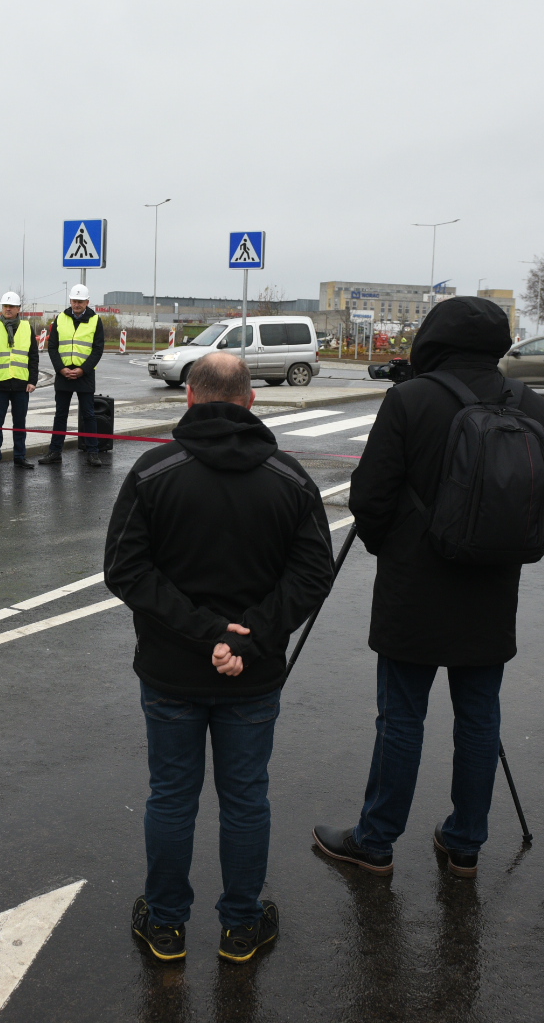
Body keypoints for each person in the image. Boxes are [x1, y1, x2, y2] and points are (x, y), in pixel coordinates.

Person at [312, 296, 544, 880]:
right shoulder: (530, 405)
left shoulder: (410, 399)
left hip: (414, 588)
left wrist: (393, 547)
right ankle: (465, 843)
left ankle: (375, 842)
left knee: (401, 718)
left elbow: (370, 497)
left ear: (434, 339)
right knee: (479, 718)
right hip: (492, 589)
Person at [105, 351, 335, 964]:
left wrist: (207, 634)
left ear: (190, 397)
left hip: (171, 670)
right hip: (252, 675)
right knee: (245, 799)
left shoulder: (154, 472)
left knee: (171, 797)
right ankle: (240, 926)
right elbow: (314, 574)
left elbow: (125, 569)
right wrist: (246, 638)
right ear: (251, 400)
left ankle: (165, 925)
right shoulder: (289, 478)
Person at [39, 284, 107, 468]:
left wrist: (83, 369)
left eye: (80, 302)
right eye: (74, 301)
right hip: (64, 373)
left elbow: (98, 349)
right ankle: (55, 452)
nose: (77, 304)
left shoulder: (95, 320)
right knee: (60, 414)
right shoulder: (60, 318)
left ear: (87, 302)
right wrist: (61, 369)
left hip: (85, 374)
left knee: (89, 414)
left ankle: (93, 452)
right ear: (70, 300)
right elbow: (53, 347)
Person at [0, 291, 39, 470]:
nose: (8, 309)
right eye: (5, 306)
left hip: (21, 383)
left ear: (18, 309)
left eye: (12, 306)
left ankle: (20, 457)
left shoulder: (27, 327)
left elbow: (33, 356)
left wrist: (32, 380)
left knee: (20, 423)